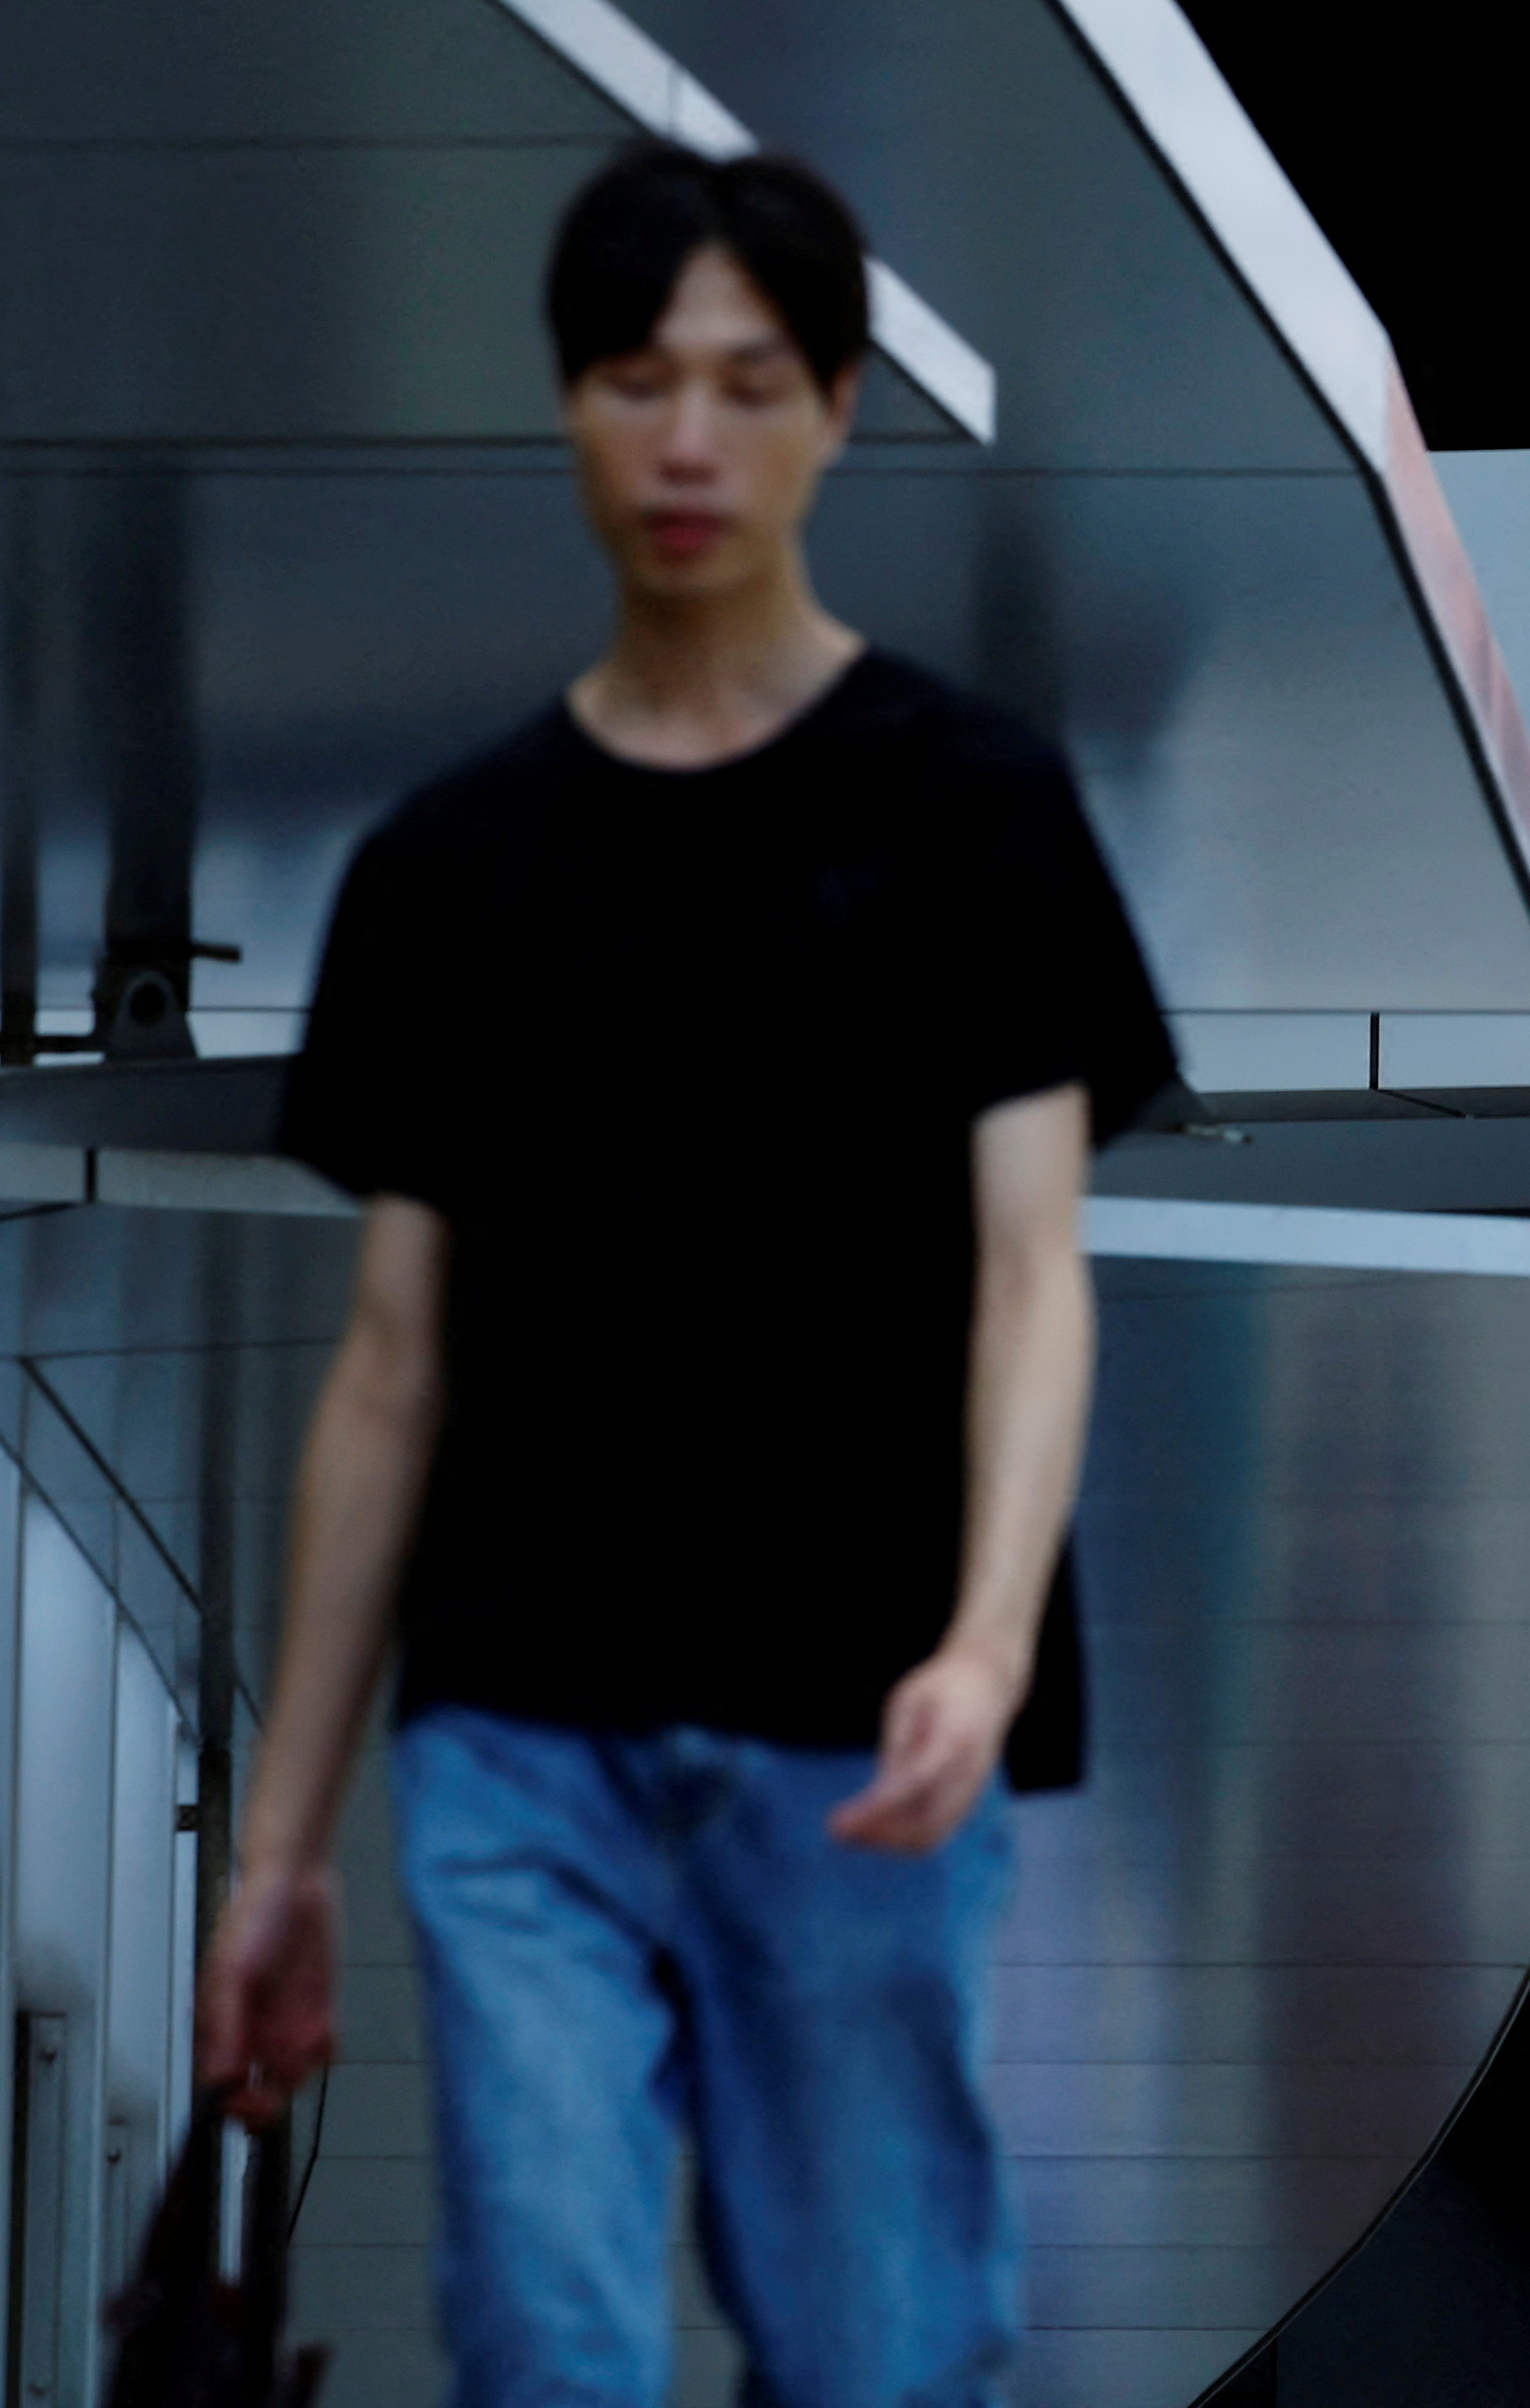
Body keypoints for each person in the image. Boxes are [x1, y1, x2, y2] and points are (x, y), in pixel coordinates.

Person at [196, 142, 1176, 2408]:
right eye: (637, 383)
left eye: (747, 384)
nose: (690, 442)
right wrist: (278, 1849)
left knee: (879, 2351)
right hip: (519, 1722)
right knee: (547, 2336)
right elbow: (388, 1372)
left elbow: (1036, 1275)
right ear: (568, 408)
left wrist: (988, 1640)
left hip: (863, 1731)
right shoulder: (447, 864)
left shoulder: (970, 809)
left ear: (837, 406)